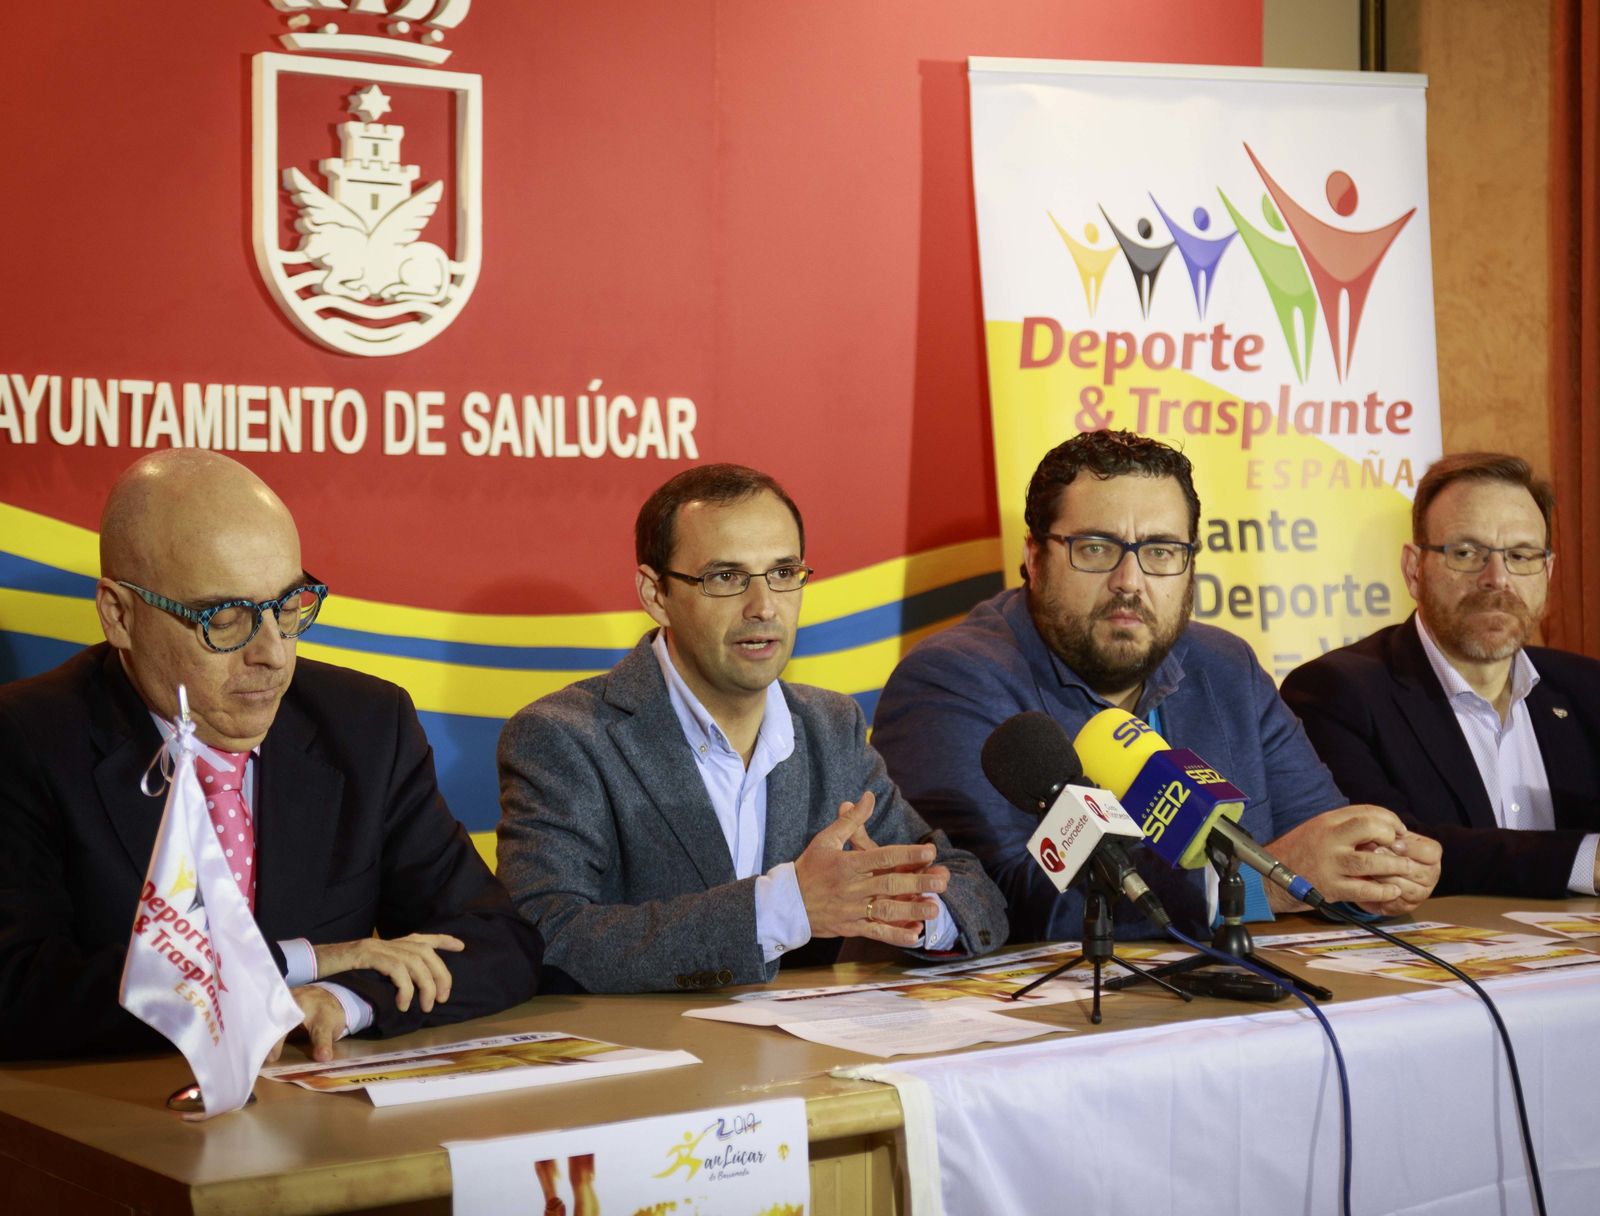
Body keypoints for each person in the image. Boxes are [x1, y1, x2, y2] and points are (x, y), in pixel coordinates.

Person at [0, 450, 543, 1061]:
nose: (274, 654)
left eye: (288, 608)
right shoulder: (26, 740)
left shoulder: (364, 725)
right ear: (119, 615)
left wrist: (343, 1000)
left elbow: (495, 941)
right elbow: (19, 990)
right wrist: (295, 964)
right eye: (224, 619)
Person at [872, 430, 1440, 942]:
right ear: (1035, 558)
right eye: (1095, 549)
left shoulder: (1226, 667)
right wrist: (1257, 885)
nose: (1130, 582)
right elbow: (996, 902)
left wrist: (1379, 871)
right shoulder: (953, 680)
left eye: (1161, 551)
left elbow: (1321, 849)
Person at [496, 464, 1007, 992]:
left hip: (812, 1065)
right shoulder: (564, 736)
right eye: (726, 578)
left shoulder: (831, 728)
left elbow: (966, 887)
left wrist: (911, 914)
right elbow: (545, 938)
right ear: (655, 595)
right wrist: (783, 909)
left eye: (784, 574)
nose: (763, 608)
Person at [1282, 453, 1600, 898]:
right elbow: (1388, 858)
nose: (1497, 578)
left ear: (1547, 572)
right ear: (1415, 570)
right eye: (1466, 553)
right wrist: (1585, 860)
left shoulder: (1588, 690)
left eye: (1521, 555)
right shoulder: (1336, 694)